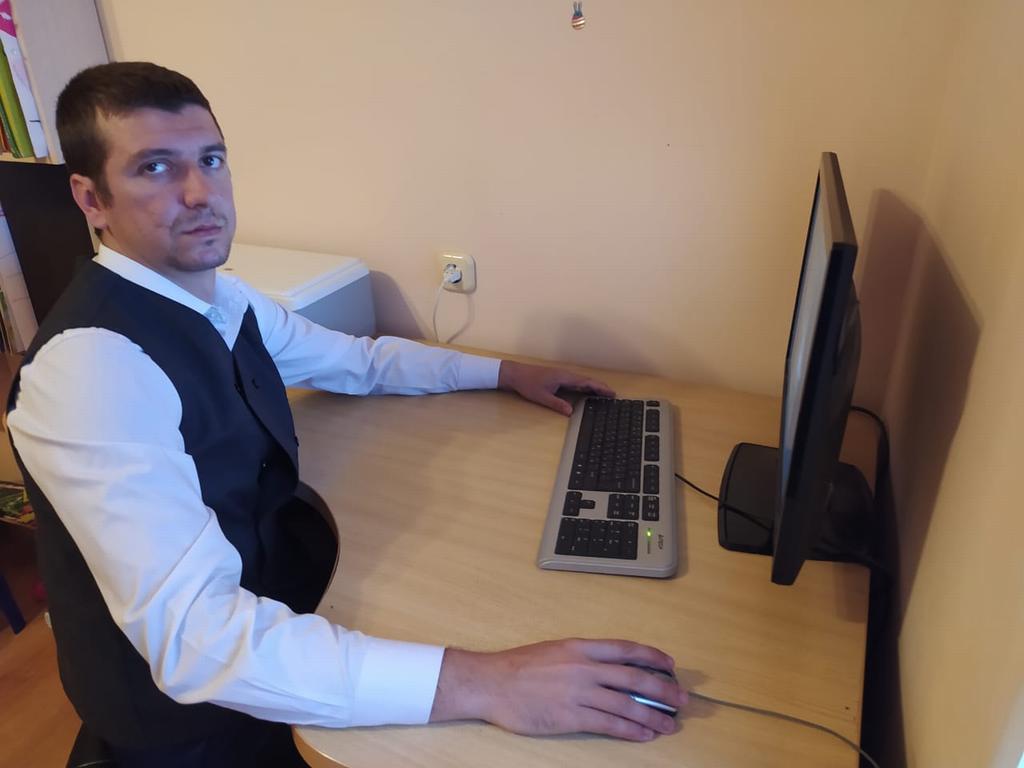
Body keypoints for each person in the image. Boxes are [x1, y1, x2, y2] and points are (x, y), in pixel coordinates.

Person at [6, 62, 687, 767]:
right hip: (195, 722)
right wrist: (488, 682)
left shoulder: (219, 298)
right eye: (155, 168)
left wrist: (505, 372)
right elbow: (196, 641)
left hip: (274, 613)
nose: (200, 193)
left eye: (211, 159)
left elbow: (358, 361)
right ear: (92, 199)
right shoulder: (92, 369)